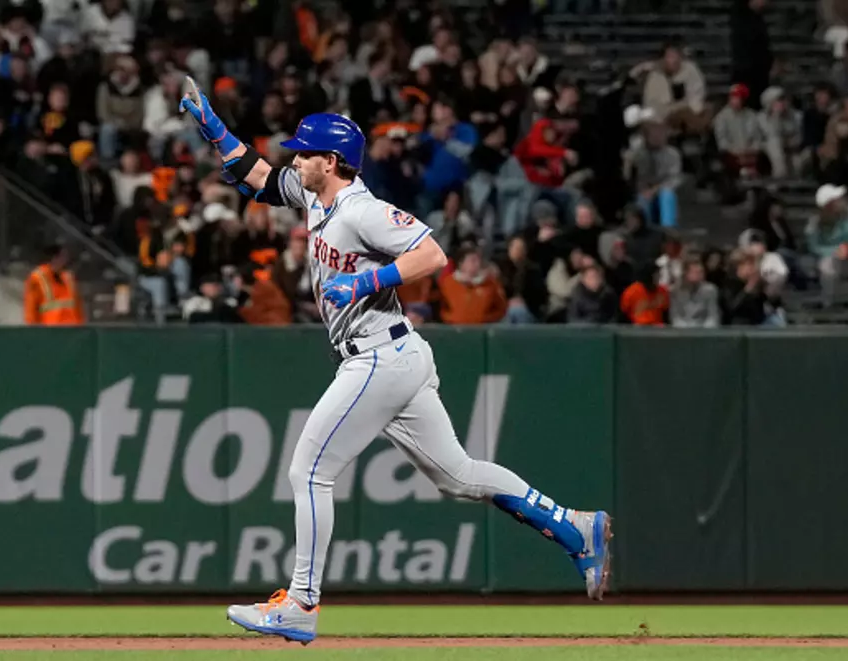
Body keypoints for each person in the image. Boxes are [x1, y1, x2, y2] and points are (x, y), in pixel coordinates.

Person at [179, 80, 613, 644]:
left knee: (308, 472)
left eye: (305, 152)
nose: (297, 158)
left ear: (331, 161)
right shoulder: (316, 196)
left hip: (378, 355)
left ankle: (301, 604)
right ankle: (577, 528)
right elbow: (257, 177)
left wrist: (368, 278)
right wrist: (213, 127)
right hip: (393, 354)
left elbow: (432, 253)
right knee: (457, 475)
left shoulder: (363, 210)